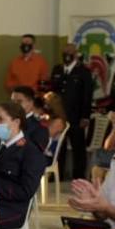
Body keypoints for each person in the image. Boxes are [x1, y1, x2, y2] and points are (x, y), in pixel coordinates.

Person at [0, 101, 47, 229]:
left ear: (16, 122)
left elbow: (26, 190)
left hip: (12, 209)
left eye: (1, 119)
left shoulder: (30, 152)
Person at [49, 42, 95, 180]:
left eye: (70, 52)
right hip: (59, 116)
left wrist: (85, 116)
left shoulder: (84, 72)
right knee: (58, 148)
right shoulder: (57, 69)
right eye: (65, 52)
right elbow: (53, 92)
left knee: (78, 148)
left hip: (76, 116)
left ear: (76, 54)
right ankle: (58, 175)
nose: (67, 55)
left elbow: (87, 95)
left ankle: (78, 177)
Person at [11, 85, 50, 151]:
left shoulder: (39, 127)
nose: (14, 105)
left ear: (31, 103)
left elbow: (34, 154)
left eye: (19, 101)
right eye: (12, 102)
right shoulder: (9, 122)